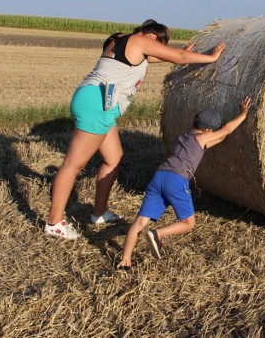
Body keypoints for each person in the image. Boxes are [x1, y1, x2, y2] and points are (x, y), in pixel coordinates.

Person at [44, 20, 226, 240]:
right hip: (98, 105)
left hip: (95, 99)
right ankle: (54, 223)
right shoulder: (141, 40)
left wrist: (173, 53)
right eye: (161, 43)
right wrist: (211, 58)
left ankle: (99, 213)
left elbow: (149, 57)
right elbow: (178, 57)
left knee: (113, 158)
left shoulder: (118, 38)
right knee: (73, 165)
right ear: (152, 37)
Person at [117, 96, 253, 269]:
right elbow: (225, 131)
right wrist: (243, 114)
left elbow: (219, 138)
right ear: (207, 130)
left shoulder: (186, 138)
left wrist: (220, 137)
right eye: (213, 131)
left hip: (159, 176)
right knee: (189, 223)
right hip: (176, 179)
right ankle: (158, 234)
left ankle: (125, 259)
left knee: (139, 222)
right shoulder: (202, 138)